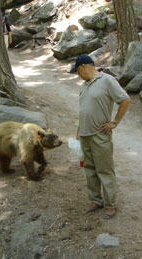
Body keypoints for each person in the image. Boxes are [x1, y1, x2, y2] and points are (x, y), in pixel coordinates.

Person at [70, 54, 130, 219]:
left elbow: (125, 99)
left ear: (83, 67)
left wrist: (115, 122)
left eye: (77, 71)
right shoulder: (84, 86)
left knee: (105, 170)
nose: (78, 75)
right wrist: (78, 131)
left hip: (100, 135)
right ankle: (96, 200)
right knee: (90, 170)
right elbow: (84, 110)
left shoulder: (107, 80)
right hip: (85, 134)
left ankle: (111, 205)